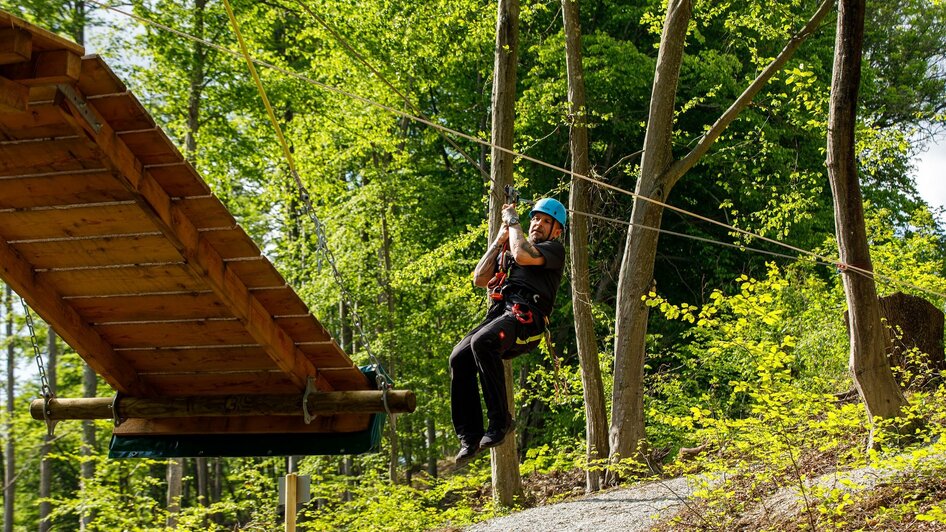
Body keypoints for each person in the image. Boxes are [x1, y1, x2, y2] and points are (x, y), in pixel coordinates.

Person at [449, 197, 567, 466]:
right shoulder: (511, 247)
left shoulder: (552, 250)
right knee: (458, 357)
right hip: (501, 314)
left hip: (526, 319)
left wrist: (513, 221)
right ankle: (470, 436)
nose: (538, 224)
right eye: (535, 218)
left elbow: (523, 254)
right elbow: (479, 278)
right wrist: (499, 239)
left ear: (557, 230)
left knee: (483, 341)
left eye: (546, 221)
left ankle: (501, 422)